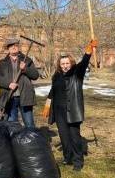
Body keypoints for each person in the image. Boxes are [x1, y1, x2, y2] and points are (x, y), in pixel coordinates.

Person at [42, 40, 98, 171]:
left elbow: (84, 62)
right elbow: (53, 90)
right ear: (59, 65)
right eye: (62, 64)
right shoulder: (56, 75)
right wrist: (47, 104)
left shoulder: (77, 73)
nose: (65, 65)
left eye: (67, 63)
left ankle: (78, 161)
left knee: (74, 137)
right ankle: (68, 158)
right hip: (59, 110)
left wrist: (89, 50)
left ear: (71, 63)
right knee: (64, 137)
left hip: (72, 110)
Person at [0, 38, 39, 129]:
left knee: (29, 124)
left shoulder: (27, 60)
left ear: (18, 47)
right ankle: (14, 142)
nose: (14, 47)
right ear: (8, 49)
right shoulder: (2, 63)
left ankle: (31, 141)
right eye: (11, 46)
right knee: (12, 125)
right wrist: (8, 84)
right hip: (10, 96)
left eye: (15, 45)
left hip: (25, 96)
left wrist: (25, 69)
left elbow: (35, 75)